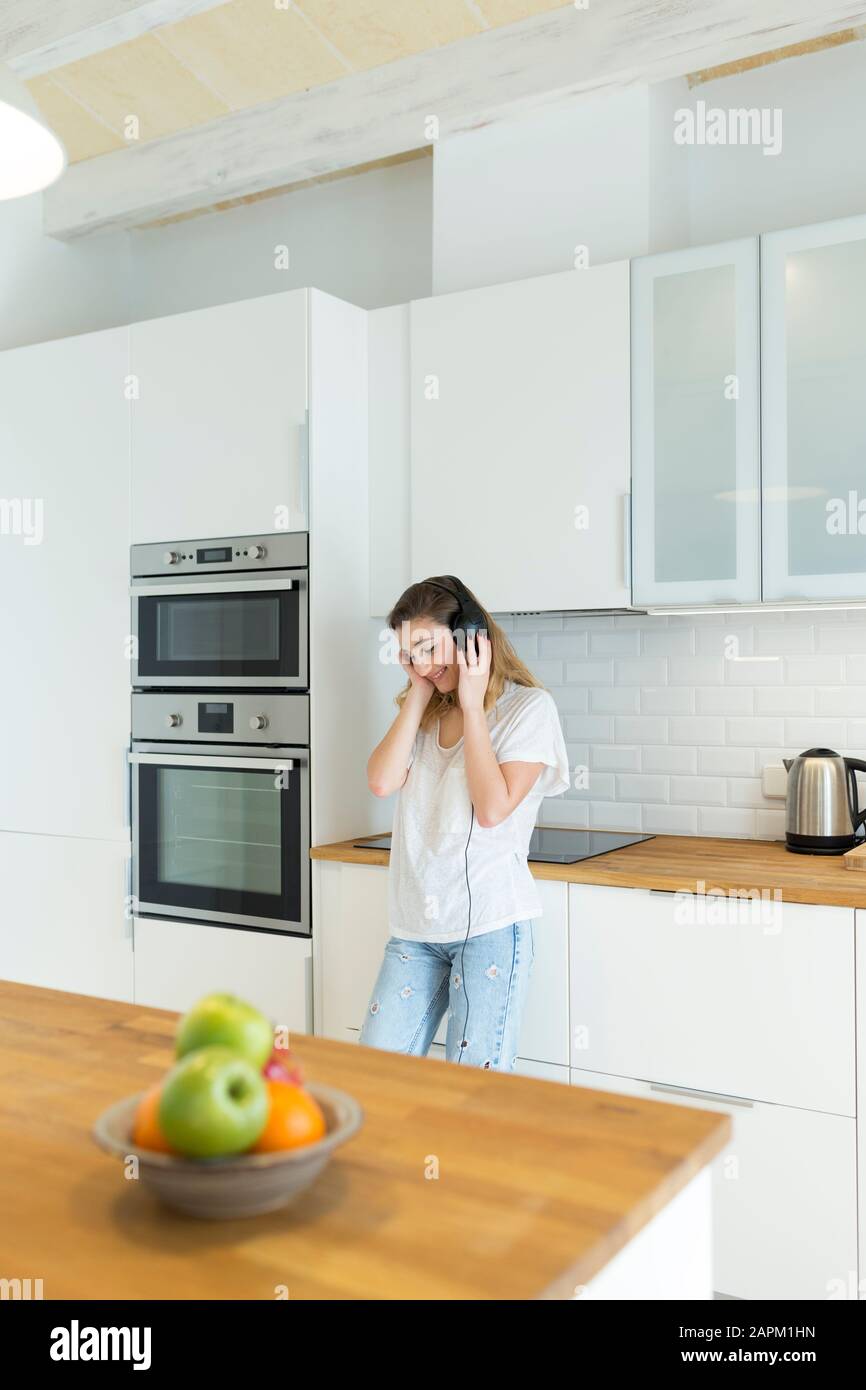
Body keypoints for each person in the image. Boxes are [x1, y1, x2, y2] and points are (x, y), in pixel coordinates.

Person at [361, 575, 569, 1071]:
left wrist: (474, 707)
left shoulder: (528, 709)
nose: (423, 664)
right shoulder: (424, 712)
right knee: (374, 1076)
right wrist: (417, 690)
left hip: (490, 927)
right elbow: (381, 781)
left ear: (472, 637)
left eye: (429, 648)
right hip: (416, 928)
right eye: (408, 653)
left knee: (471, 1092)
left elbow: (492, 808)